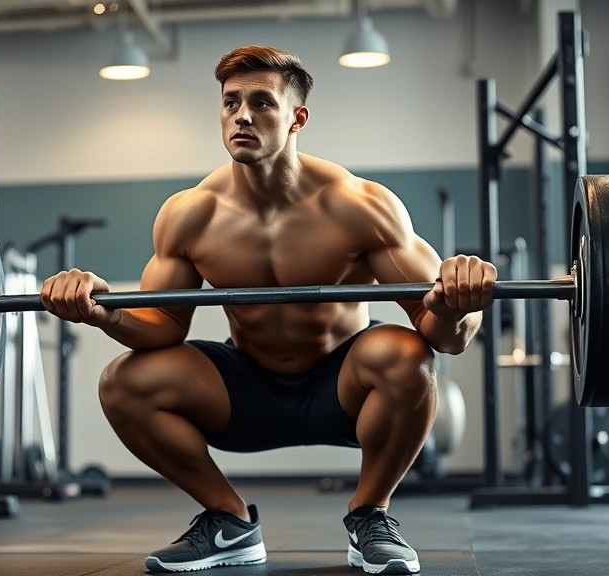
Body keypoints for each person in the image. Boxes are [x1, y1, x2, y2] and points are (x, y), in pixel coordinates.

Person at [40, 45, 496, 575]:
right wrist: (102, 312)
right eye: (231, 103)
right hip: (246, 392)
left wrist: (459, 302)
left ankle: (371, 515)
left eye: (261, 103)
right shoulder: (190, 215)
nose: (242, 116)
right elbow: (162, 328)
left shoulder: (359, 206)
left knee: (407, 354)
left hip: (342, 391)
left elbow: (447, 336)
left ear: (297, 117)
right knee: (123, 381)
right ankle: (227, 520)